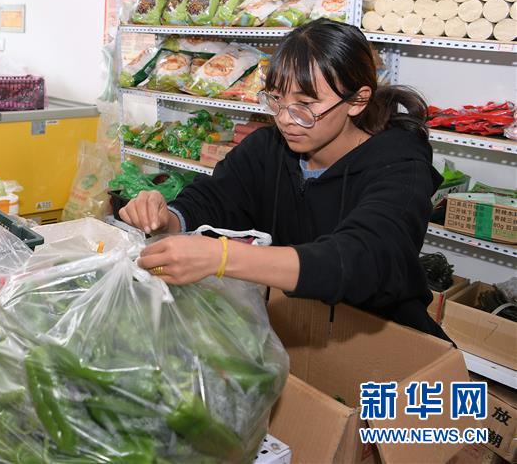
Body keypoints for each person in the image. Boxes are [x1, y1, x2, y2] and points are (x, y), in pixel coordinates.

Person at [119, 19, 448, 340]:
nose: (286, 119)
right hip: (295, 324)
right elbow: (217, 198)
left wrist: (223, 257)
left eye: (305, 104)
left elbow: (364, 257)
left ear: (357, 100)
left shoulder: (400, 167)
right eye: (276, 99)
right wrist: (168, 218)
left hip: (388, 340)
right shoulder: (268, 148)